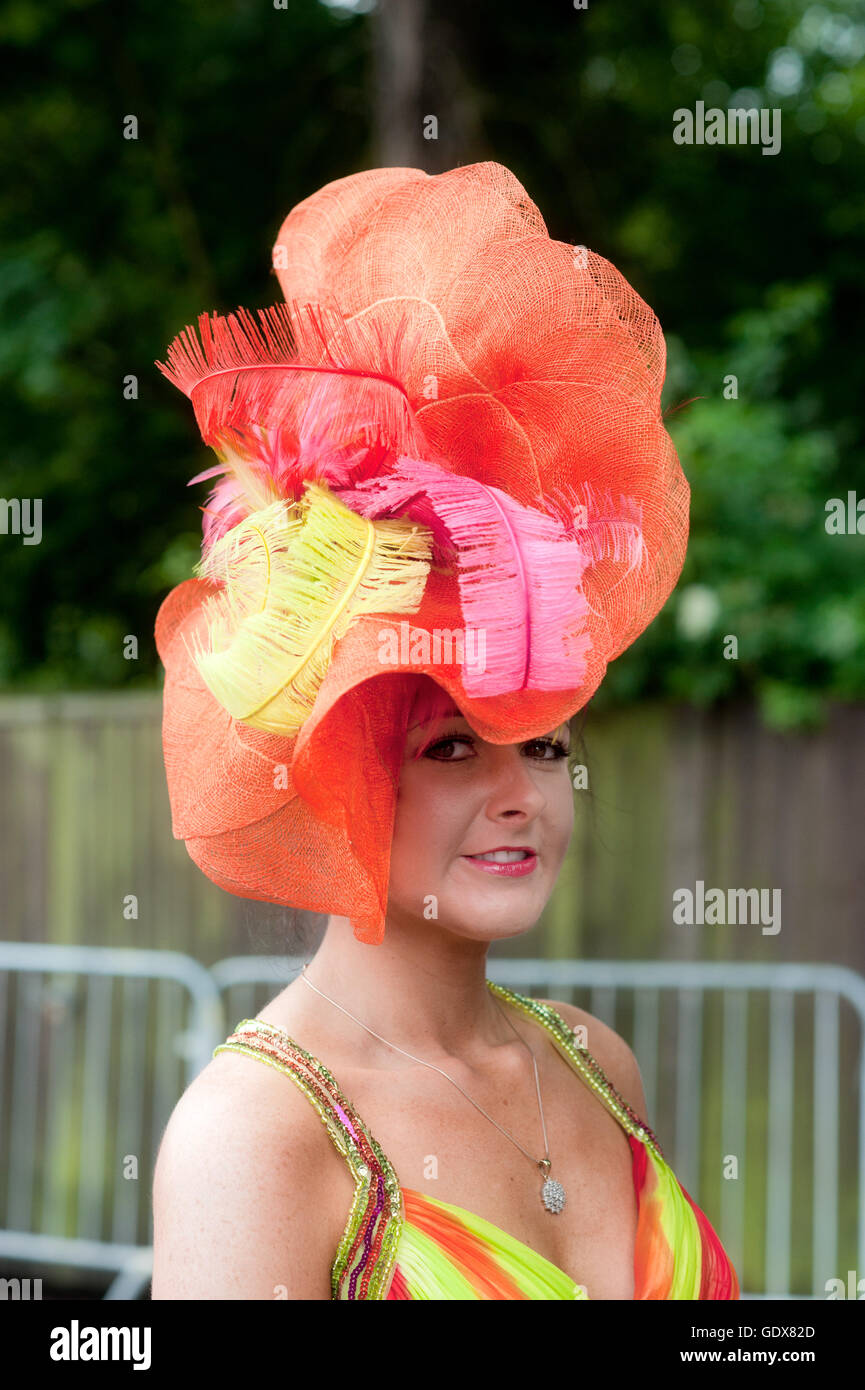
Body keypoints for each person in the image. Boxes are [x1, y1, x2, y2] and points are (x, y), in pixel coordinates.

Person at [149, 161, 738, 1299]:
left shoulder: (594, 1062)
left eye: (547, 743)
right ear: (342, 771)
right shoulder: (259, 1133)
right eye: (452, 746)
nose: (522, 792)